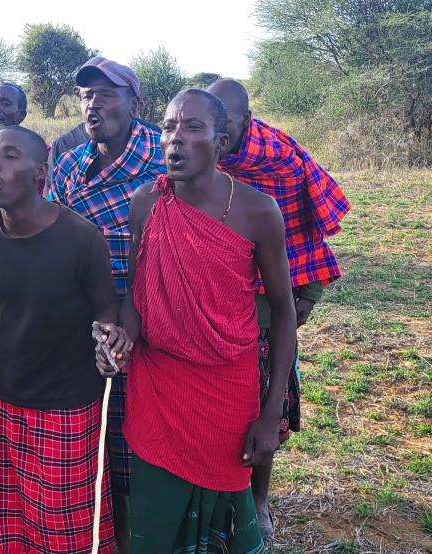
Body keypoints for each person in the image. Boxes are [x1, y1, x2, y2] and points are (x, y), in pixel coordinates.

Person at [119, 89, 296, 554]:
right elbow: (137, 296)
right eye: (168, 127)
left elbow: (283, 314)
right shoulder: (146, 203)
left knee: (223, 508)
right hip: (157, 386)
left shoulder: (258, 211)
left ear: (221, 142)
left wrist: (271, 410)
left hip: (227, 389)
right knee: (156, 511)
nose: (175, 139)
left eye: (192, 127)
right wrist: (120, 337)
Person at [0, 126, 131, 553]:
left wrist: (109, 333)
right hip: (8, 397)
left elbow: (106, 305)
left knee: (64, 528)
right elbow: (1, 302)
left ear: (40, 174)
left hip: (67, 403)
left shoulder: (81, 238)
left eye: (10, 155)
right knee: (14, 522)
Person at [205, 78, 349, 543]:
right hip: (212, 306)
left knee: (265, 412)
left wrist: (310, 294)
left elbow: (305, 231)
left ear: (246, 119)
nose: (217, 130)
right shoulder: (196, 158)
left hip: (267, 311)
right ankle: (215, 498)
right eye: (211, 119)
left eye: (225, 119)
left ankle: (258, 501)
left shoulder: (278, 163)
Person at [49, 55, 164, 552]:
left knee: (143, 444)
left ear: (136, 103)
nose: (94, 104)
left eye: (107, 94)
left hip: (152, 324)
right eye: (86, 95)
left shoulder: (164, 160)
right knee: (96, 437)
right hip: (85, 323)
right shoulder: (71, 165)